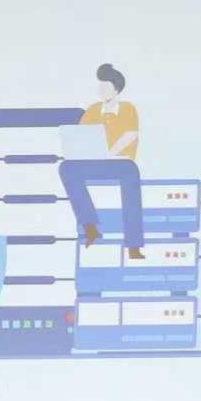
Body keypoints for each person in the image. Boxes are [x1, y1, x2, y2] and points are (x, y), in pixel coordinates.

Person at [59, 62, 146, 260]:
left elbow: (131, 135)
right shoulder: (93, 110)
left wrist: (109, 152)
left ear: (116, 89)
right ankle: (90, 226)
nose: (102, 90)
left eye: (106, 86)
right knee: (66, 168)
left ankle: (133, 245)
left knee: (131, 175)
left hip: (120, 163)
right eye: (101, 86)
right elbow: (80, 136)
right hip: (94, 161)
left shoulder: (128, 109)